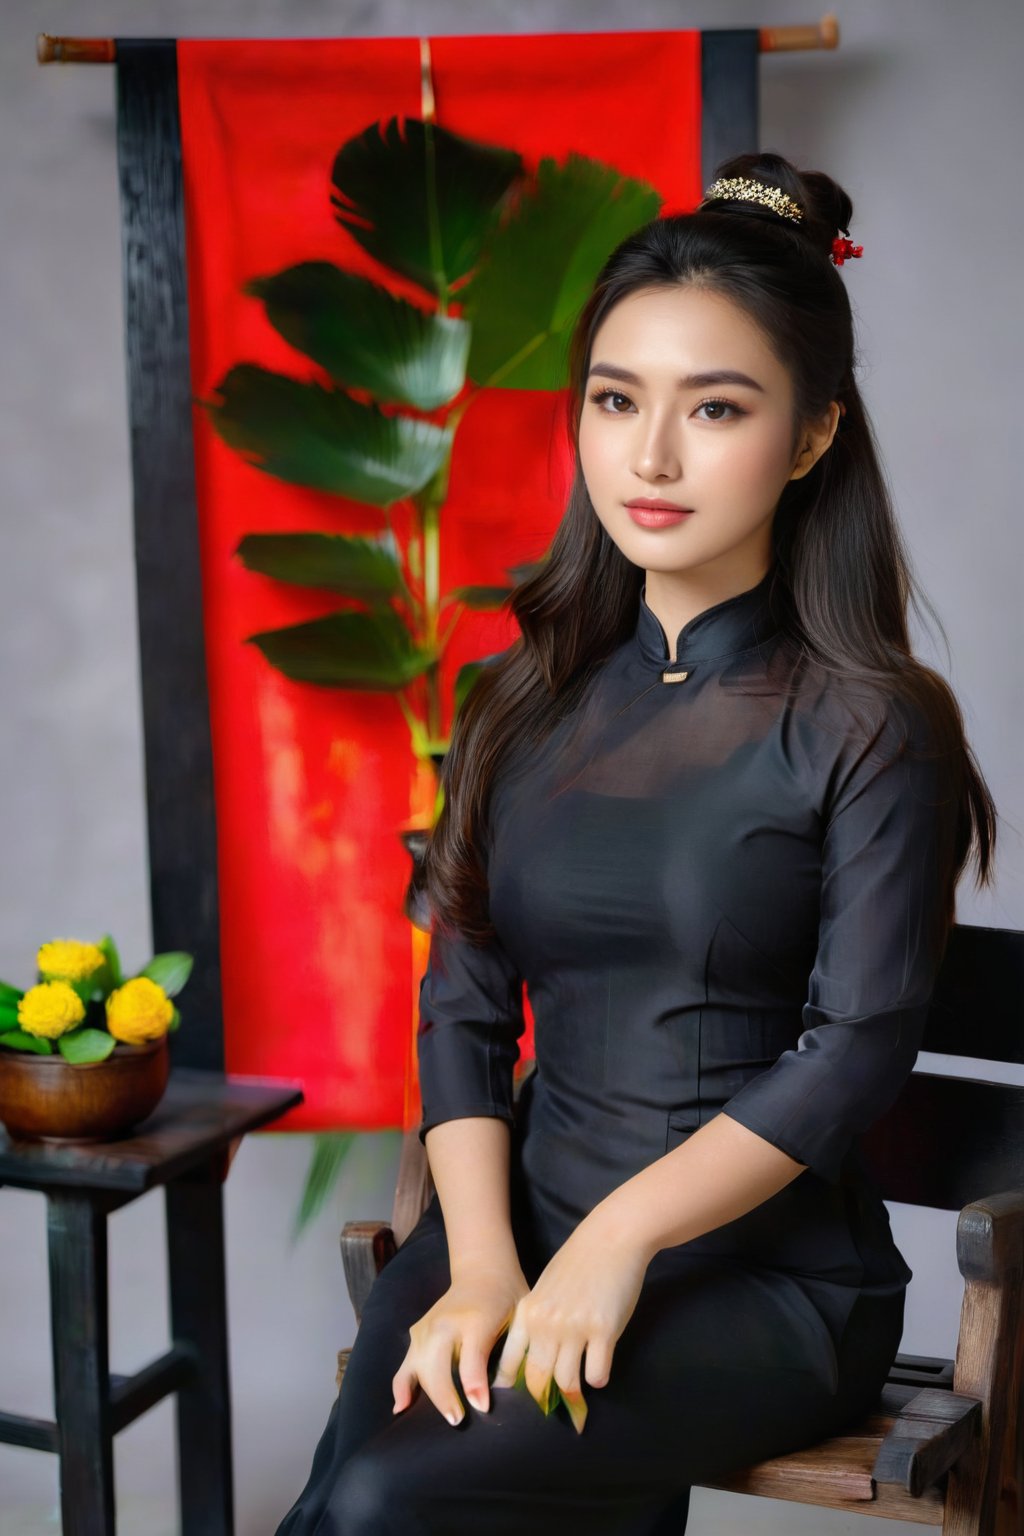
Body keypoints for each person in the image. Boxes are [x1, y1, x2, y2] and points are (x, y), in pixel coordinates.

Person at [274, 150, 997, 1535]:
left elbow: (854, 1050)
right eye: (616, 401)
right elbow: (466, 1012)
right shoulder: (520, 701)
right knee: (343, 1508)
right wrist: (483, 1261)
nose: (649, 458)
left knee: (375, 1505)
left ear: (810, 435)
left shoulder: (869, 723)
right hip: (512, 1233)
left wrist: (617, 1239)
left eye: (714, 408)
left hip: (761, 1286)